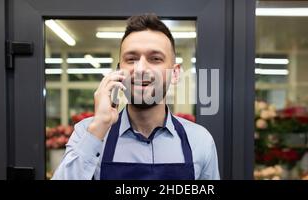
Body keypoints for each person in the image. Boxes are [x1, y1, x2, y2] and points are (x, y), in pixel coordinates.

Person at [52, 14, 219, 180]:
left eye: (155, 59)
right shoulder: (88, 133)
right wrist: (99, 126)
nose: (140, 69)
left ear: (175, 73)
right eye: (131, 59)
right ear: (118, 71)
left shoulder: (199, 140)